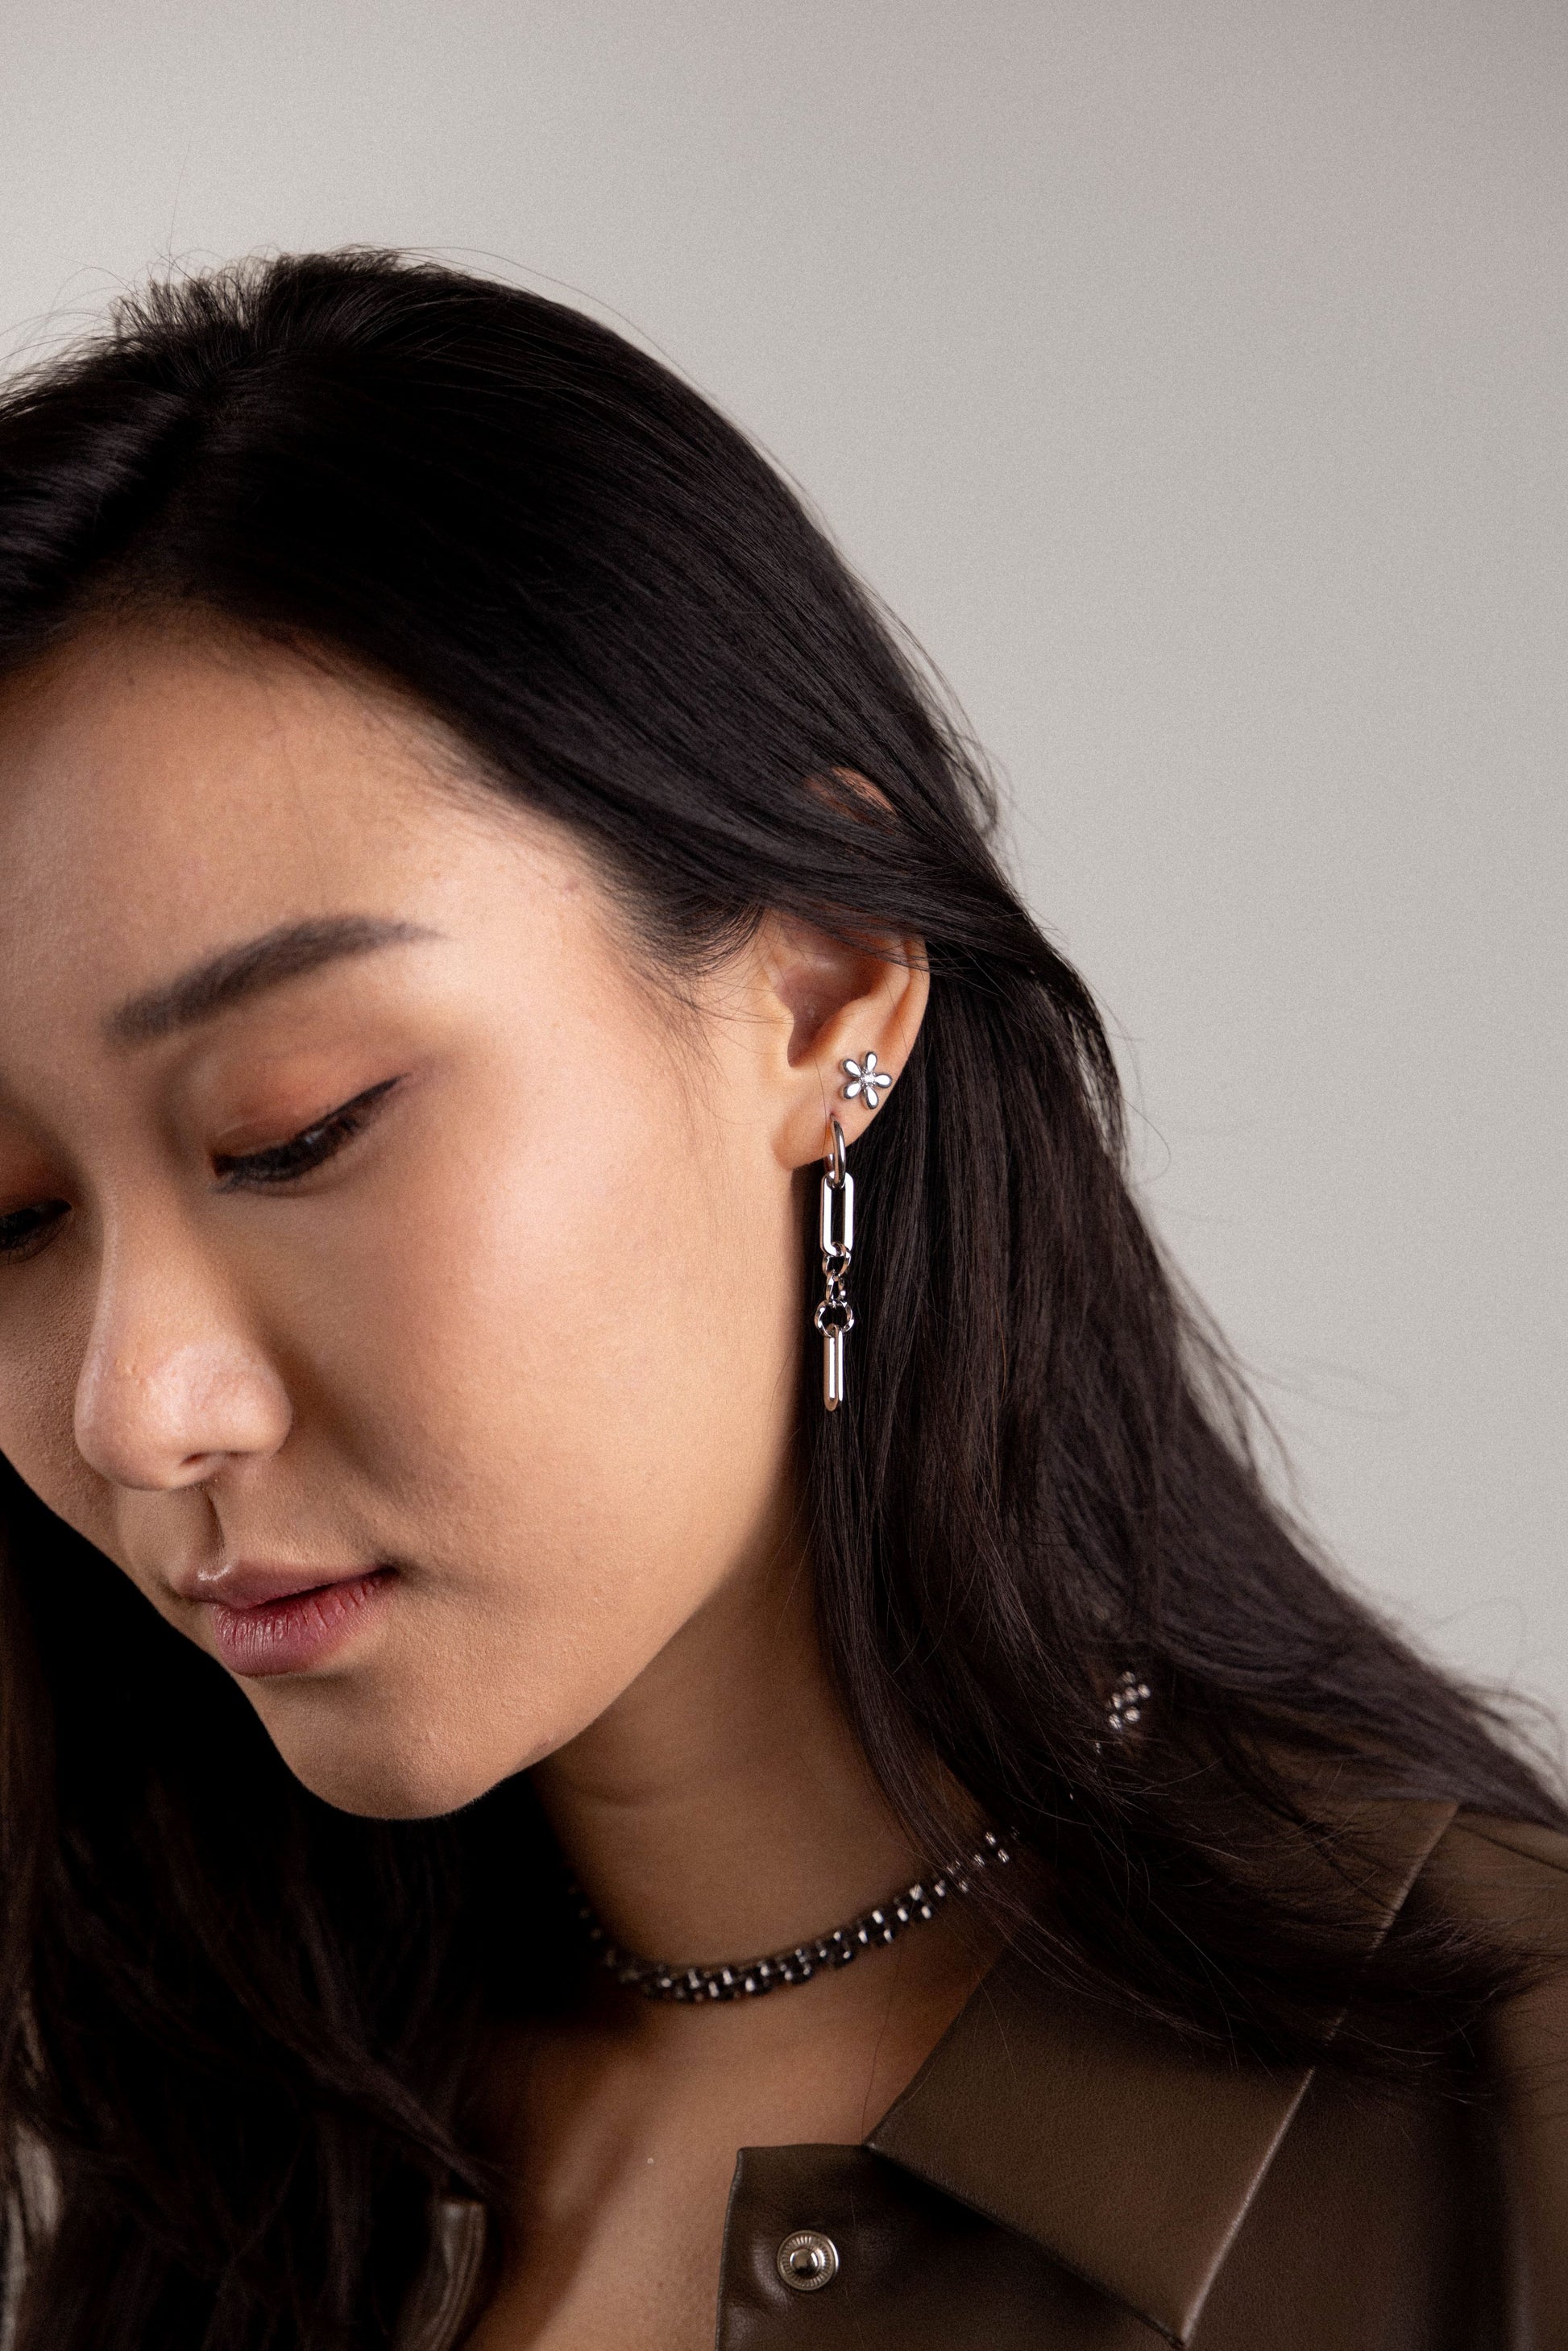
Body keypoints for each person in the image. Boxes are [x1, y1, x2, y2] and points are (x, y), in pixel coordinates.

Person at [0, 251, 1561, 2351]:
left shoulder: (1499, 2131)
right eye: (5, 1224)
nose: (137, 1411)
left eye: (300, 1130)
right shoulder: (195, 2164)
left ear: (816, 992)